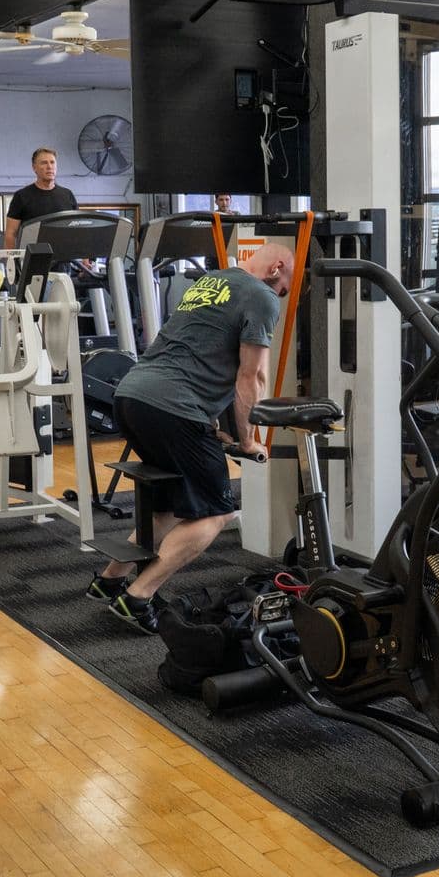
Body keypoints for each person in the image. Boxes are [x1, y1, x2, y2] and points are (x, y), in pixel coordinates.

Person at [90, 243, 295, 632]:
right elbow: (250, 378)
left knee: (171, 503)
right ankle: (138, 597)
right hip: (173, 406)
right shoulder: (263, 297)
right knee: (217, 511)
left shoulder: (211, 282)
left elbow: (202, 354)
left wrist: (215, 429)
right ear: (276, 270)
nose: (280, 296)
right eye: (284, 287)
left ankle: (111, 578)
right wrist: (248, 441)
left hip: (132, 396)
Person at [3, 147, 78, 249]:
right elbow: (10, 234)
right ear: (34, 167)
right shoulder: (21, 196)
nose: (49, 166)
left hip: (63, 260)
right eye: (44, 163)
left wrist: (85, 258)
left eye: (52, 162)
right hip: (33, 260)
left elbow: (78, 229)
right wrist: (12, 261)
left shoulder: (67, 195)